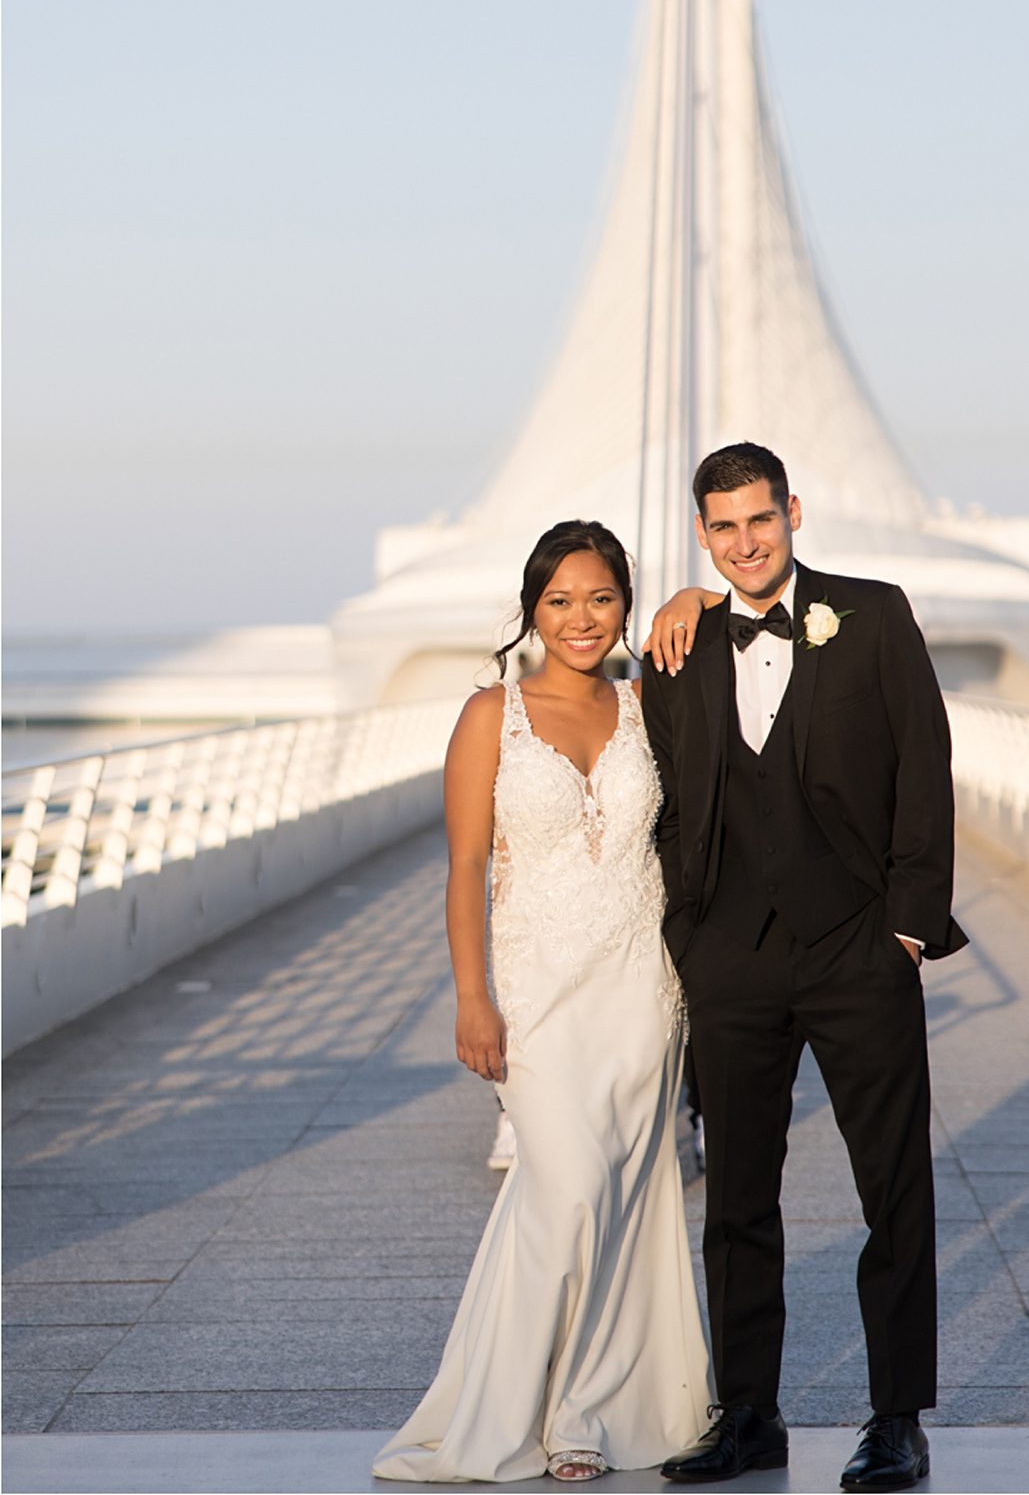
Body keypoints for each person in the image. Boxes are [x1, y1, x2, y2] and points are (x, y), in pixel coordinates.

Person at [640, 443, 967, 1493]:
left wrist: (907, 930)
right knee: (735, 1193)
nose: (743, 543)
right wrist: (689, 933)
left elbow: (923, 767)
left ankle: (895, 1417)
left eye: (759, 520)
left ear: (791, 512)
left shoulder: (870, 614)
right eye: (722, 527)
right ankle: (747, 1411)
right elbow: (670, 800)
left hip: (856, 949)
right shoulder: (678, 647)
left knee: (893, 1186)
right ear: (702, 533)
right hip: (730, 954)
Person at [374, 521, 714, 1485]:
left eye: (601, 598)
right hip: (534, 994)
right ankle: (506, 1406)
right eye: (559, 601)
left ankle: (585, 1415)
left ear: (625, 607)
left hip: (641, 990)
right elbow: (468, 865)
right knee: (563, 1189)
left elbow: (751, 642)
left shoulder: (652, 705)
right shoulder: (493, 715)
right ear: (532, 610)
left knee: (625, 1197)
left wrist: (697, 601)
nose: (580, 619)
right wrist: (471, 998)